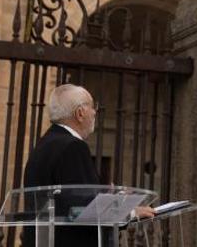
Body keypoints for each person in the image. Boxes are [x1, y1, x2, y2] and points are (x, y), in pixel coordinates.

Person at [22, 84, 154, 246]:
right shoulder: (72, 146)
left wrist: (105, 196)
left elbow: (66, 200)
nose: (95, 112)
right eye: (93, 106)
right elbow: (82, 210)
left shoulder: (46, 144)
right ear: (80, 112)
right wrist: (129, 211)